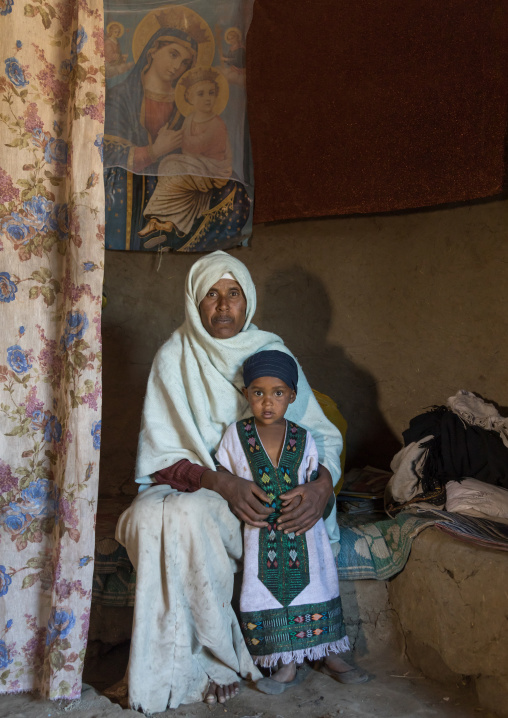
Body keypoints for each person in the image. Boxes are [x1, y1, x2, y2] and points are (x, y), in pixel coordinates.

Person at [115, 250, 362, 714]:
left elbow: (321, 434)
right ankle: (186, 665)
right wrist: (223, 483)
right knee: (150, 515)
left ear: (247, 301)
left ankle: (232, 656)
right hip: (206, 485)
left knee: (191, 518)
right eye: (211, 294)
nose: (223, 305)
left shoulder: (271, 352)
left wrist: (321, 487)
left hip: (262, 495)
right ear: (194, 301)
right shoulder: (174, 357)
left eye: (233, 294)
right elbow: (162, 456)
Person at [215, 350, 351, 694]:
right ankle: (284, 662)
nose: (268, 402)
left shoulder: (303, 437)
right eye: (258, 393)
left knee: (318, 585)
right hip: (262, 535)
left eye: (278, 393)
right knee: (267, 594)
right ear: (247, 395)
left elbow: (313, 481)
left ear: (292, 395)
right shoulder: (236, 435)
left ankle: (330, 652)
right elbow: (223, 471)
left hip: (306, 535)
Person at [138, 66, 232, 244]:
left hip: (212, 170)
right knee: (167, 165)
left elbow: (196, 145)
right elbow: (188, 149)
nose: (207, 98)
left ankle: (161, 221)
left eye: (211, 93)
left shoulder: (216, 123)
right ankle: (160, 223)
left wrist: (174, 141)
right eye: (201, 94)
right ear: (189, 98)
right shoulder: (189, 119)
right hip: (195, 165)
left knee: (173, 170)